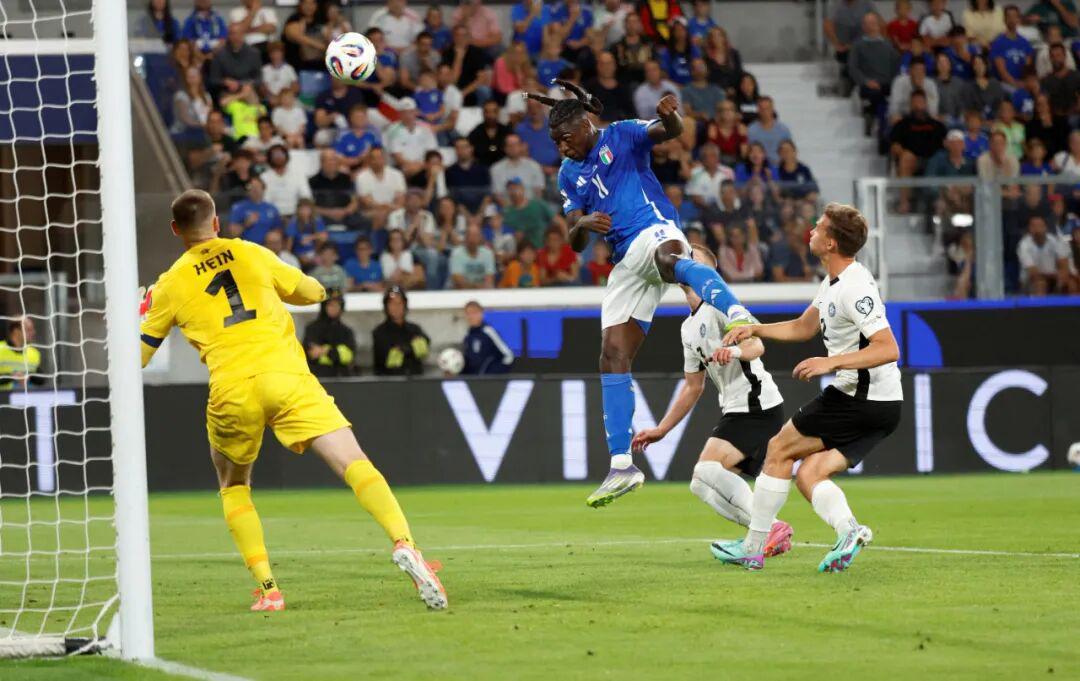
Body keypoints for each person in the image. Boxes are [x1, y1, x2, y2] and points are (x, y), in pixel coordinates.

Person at [140, 191, 446, 611]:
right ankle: (404, 541)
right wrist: (323, 287)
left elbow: (137, 356)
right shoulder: (250, 252)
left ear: (176, 230)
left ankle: (269, 590)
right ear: (217, 223)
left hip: (233, 388)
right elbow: (310, 291)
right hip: (286, 376)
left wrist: (137, 317)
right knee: (353, 461)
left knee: (234, 485)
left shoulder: (169, 283)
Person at [528, 79, 744, 507]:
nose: (561, 147)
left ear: (586, 126)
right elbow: (574, 240)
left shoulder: (622, 134)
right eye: (555, 142)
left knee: (668, 258)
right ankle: (622, 465)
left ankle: (737, 312)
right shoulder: (569, 173)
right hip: (626, 260)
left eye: (565, 138)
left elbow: (671, 132)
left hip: (654, 228)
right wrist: (581, 224)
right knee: (612, 353)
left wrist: (670, 115)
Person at [714, 203, 902, 573]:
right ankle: (849, 531)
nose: (811, 230)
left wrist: (830, 363)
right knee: (809, 474)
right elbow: (804, 327)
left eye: (819, 227)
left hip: (859, 398)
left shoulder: (854, 287)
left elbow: (888, 348)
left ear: (831, 243)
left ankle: (753, 547)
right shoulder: (833, 283)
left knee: (778, 449)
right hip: (882, 404)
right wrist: (755, 328)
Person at [631, 244, 792, 558]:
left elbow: (757, 345)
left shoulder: (722, 305)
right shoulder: (687, 327)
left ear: (709, 272)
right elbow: (693, 386)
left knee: (706, 469)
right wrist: (662, 429)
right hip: (736, 408)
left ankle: (767, 531)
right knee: (700, 483)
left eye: (692, 257)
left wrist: (734, 350)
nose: (683, 261)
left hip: (757, 404)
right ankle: (767, 531)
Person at [372, 285, 430, 376]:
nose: (396, 307)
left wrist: (403, 349)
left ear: (405, 305)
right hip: (389, 381)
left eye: (400, 303)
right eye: (392, 303)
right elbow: (392, 360)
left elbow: (423, 350)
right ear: (386, 306)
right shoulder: (379, 332)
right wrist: (412, 347)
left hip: (415, 380)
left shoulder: (415, 329)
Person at [303, 292, 357, 377]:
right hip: (318, 378)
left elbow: (347, 357)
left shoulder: (346, 331)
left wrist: (325, 351)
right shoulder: (312, 329)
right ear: (324, 306)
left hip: (341, 378)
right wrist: (336, 352)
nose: (333, 308)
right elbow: (311, 355)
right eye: (330, 305)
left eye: (337, 305)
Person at [1018, 215, 1076, 294]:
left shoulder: (1054, 241)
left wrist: (1062, 276)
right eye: (1034, 226)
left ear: (1045, 228)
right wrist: (1054, 275)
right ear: (1029, 229)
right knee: (1040, 284)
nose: (1037, 229)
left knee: (1071, 284)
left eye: (1040, 226)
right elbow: (1033, 272)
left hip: (1053, 278)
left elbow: (1064, 264)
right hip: (1031, 280)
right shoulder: (1024, 245)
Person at [355, 147, 407, 231]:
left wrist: (389, 208)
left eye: (379, 157)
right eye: (374, 158)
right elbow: (367, 202)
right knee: (379, 215)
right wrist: (384, 207)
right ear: (369, 160)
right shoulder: (362, 176)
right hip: (371, 211)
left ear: (385, 158)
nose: (377, 161)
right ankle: (376, 239)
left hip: (394, 209)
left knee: (397, 215)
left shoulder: (397, 174)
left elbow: (400, 199)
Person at [208, 24, 262, 98]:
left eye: (239, 33)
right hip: (227, 92)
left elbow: (259, 79)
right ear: (228, 36)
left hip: (247, 90)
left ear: (243, 35)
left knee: (249, 94)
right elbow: (213, 80)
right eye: (232, 34)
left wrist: (241, 84)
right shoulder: (219, 54)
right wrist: (224, 82)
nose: (236, 37)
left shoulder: (254, 53)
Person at [460, 301, 514, 375]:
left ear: (481, 313)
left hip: (490, 380)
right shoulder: (468, 337)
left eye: (474, 313)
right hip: (473, 380)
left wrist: (493, 374)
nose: (471, 316)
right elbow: (468, 363)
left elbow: (509, 356)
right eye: (468, 313)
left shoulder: (489, 332)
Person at [490, 134, 546, 204]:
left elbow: (539, 192)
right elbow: (497, 195)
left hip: (531, 206)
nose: (513, 148)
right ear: (505, 148)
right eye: (510, 145)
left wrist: (531, 208)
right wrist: (511, 209)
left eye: (516, 145)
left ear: (521, 146)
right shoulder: (496, 169)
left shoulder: (534, 166)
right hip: (507, 207)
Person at [989, 5, 1034, 91]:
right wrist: (1016, 84)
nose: (1012, 20)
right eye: (1009, 16)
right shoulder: (998, 43)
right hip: (1004, 84)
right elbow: (1002, 72)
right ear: (1004, 19)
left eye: (1014, 16)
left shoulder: (1025, 43)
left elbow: (1028, 69)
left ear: (1018, 19)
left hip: (1022, 83)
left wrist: (1026, 83)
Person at [227, 176, 280, 245]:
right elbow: (232, 233)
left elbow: (278, 232)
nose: (255, 190)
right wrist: (245, 224)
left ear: (264, 189)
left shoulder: (272, 208)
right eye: (252, 187)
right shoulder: (239, 207)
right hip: (246, 246)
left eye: (258, 187)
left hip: (266, 247)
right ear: (247, 190)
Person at [746, 97, 793, 166]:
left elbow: (789, 152)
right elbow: (748, 152)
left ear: (773, 109)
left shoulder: (783, 130)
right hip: (758, 167)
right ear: (758, 110)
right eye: (762, 109)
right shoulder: (751, 130)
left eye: (767, 108)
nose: (765, 112)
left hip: (779, 167)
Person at [449, 222, 496, 289]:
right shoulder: (456, 254)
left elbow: (489, 280)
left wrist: (478, 288)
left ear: (480, 238)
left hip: (483, 291)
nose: (472, 239)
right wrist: (476, 288)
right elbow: (458, 282)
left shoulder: (488, 254)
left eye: (475, 236)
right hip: (461, 292)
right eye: (469, 235)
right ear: (465, 238)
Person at [467, 100, 512, 168]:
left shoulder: (507, 132)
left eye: (494, 111)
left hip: (505, 168)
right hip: (482, 169)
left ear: (498, 113)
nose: (491, 115)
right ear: (483, 113)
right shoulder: (475, 133)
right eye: (487, 112)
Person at [0, 317, 40, 391]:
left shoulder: (34, 353)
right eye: (28, 329)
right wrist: (12, 376)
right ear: (16, 331)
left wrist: (28, 376)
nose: (33, 332)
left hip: (26, 396)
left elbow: (41, 380)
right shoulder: (0, 349)